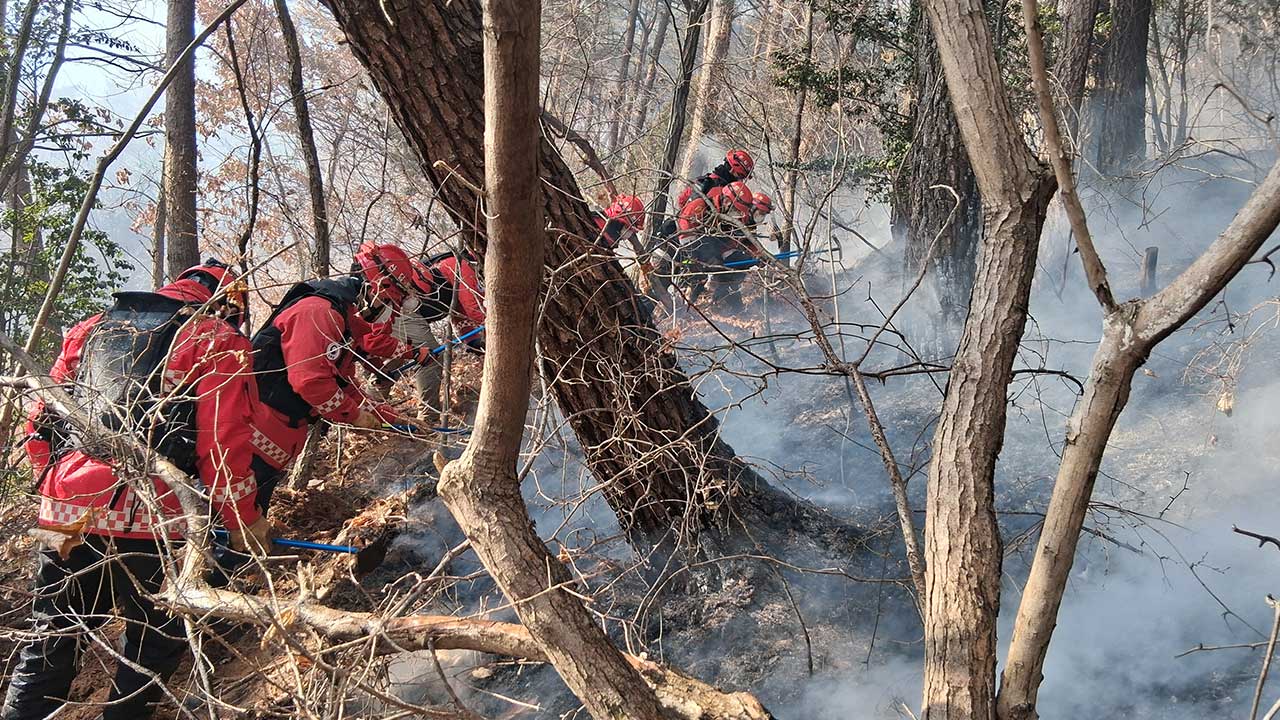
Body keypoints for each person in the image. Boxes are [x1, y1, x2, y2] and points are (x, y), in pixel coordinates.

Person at [3, 260, 266, 720]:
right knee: (152, 648)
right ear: (229, 304)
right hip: (155, 518)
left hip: (66, 513)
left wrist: (55, 486)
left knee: (50, 643)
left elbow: (40, 419)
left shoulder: (89, 329)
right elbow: (223, 445)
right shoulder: (218, 340)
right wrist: (244, 520)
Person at [247, 243, 418, 510]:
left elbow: (344, 386)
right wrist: (355, 416)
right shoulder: (319, 312)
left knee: (249, 518)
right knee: (231, 526)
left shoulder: (344, 319)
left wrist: (391, 417)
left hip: (275, 441)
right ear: (379, 286)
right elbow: (310, 381)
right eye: (387, 301)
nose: (386, 309)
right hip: (251, 438)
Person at [390, 250, 487, 417]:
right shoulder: (462, 266)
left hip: (400, 313)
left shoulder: (450, 266)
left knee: (391, 361)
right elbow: (474, 308)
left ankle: (372, 411)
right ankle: (429, 417)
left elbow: (459, 310)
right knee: (430, 356)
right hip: (403, 313)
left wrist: (472, 341)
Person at [674, 148, 755, 210]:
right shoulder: (722, 192)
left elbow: (681, 201)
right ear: (733, 170)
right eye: (741, 176)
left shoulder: (704, 179)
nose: (741, 181)